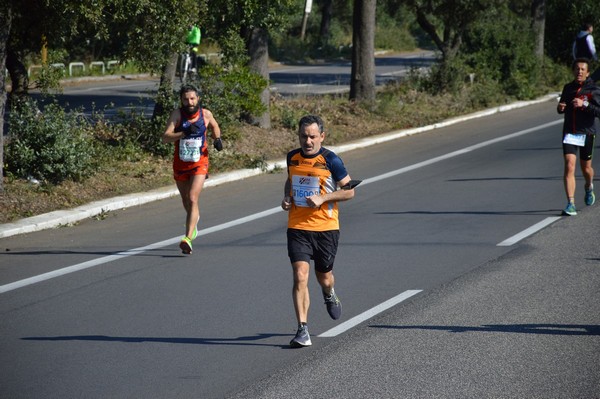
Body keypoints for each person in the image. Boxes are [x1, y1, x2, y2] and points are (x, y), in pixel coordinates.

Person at [281, 114, 355, 348]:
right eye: (304, 136)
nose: (308, 141)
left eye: (313, 136)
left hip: (326, 228)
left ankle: (329, 292)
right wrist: (286, 197)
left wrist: (323, 197)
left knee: (324, 277)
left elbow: (350, 191)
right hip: (298, 226)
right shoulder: (292, 157)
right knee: (300, 275)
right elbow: (290, 180)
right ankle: (303, 329)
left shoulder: (331, 160)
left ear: (322, 136)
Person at [162, 84, 223, 254]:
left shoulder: (205, 114)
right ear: (181, 100)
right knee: (186, 202)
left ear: (198, 99)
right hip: (181, 163)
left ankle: (187, 238)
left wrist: (217, 139)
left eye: (192, 98)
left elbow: (214, 126)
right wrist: (183, 133)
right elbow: (165, 137)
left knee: (192, 197)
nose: (189, 102)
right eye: (186, 99)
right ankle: (194, 221)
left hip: (199, 163)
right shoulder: (177, 115)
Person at [557, 58, 600, 216]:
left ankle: (589, 186)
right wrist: (560, 107)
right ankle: (571, 203)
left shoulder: (594, 90)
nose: (579, 71)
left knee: (586, 168)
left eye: (582, 69)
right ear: (573, 71)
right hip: (570, 132)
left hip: (587, 133)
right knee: (569, 165)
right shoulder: (568, 88)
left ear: (588, 73)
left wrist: (585, 105)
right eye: (577, 69)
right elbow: (562, 106)